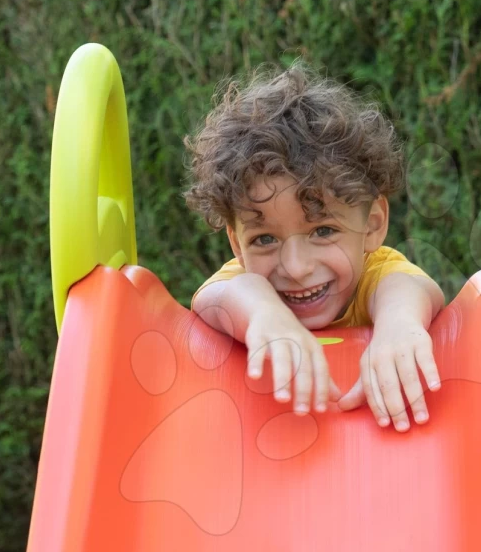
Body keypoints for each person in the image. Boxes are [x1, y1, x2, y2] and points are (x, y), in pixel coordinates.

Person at [185, 64, 446, 432]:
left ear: (371, 225)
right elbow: (216, 296)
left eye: (322, 230)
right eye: (264, 239)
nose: (295, 267)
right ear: (236, 244)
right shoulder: (248, 283)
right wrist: (263, 314)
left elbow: (408, 288)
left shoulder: (375, 274)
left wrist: (398, 326)